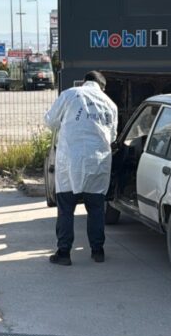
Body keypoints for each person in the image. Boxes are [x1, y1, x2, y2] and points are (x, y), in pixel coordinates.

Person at [43, 70, 118, 265]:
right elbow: (113, 136)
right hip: (98, 162)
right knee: (96, 208)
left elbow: (50, 121)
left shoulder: (70, 94)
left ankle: (64, 253)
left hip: (70, 161)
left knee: (66, 208)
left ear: (84, 81)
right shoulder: (110, 103)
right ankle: (97, 251)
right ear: (102, 87)